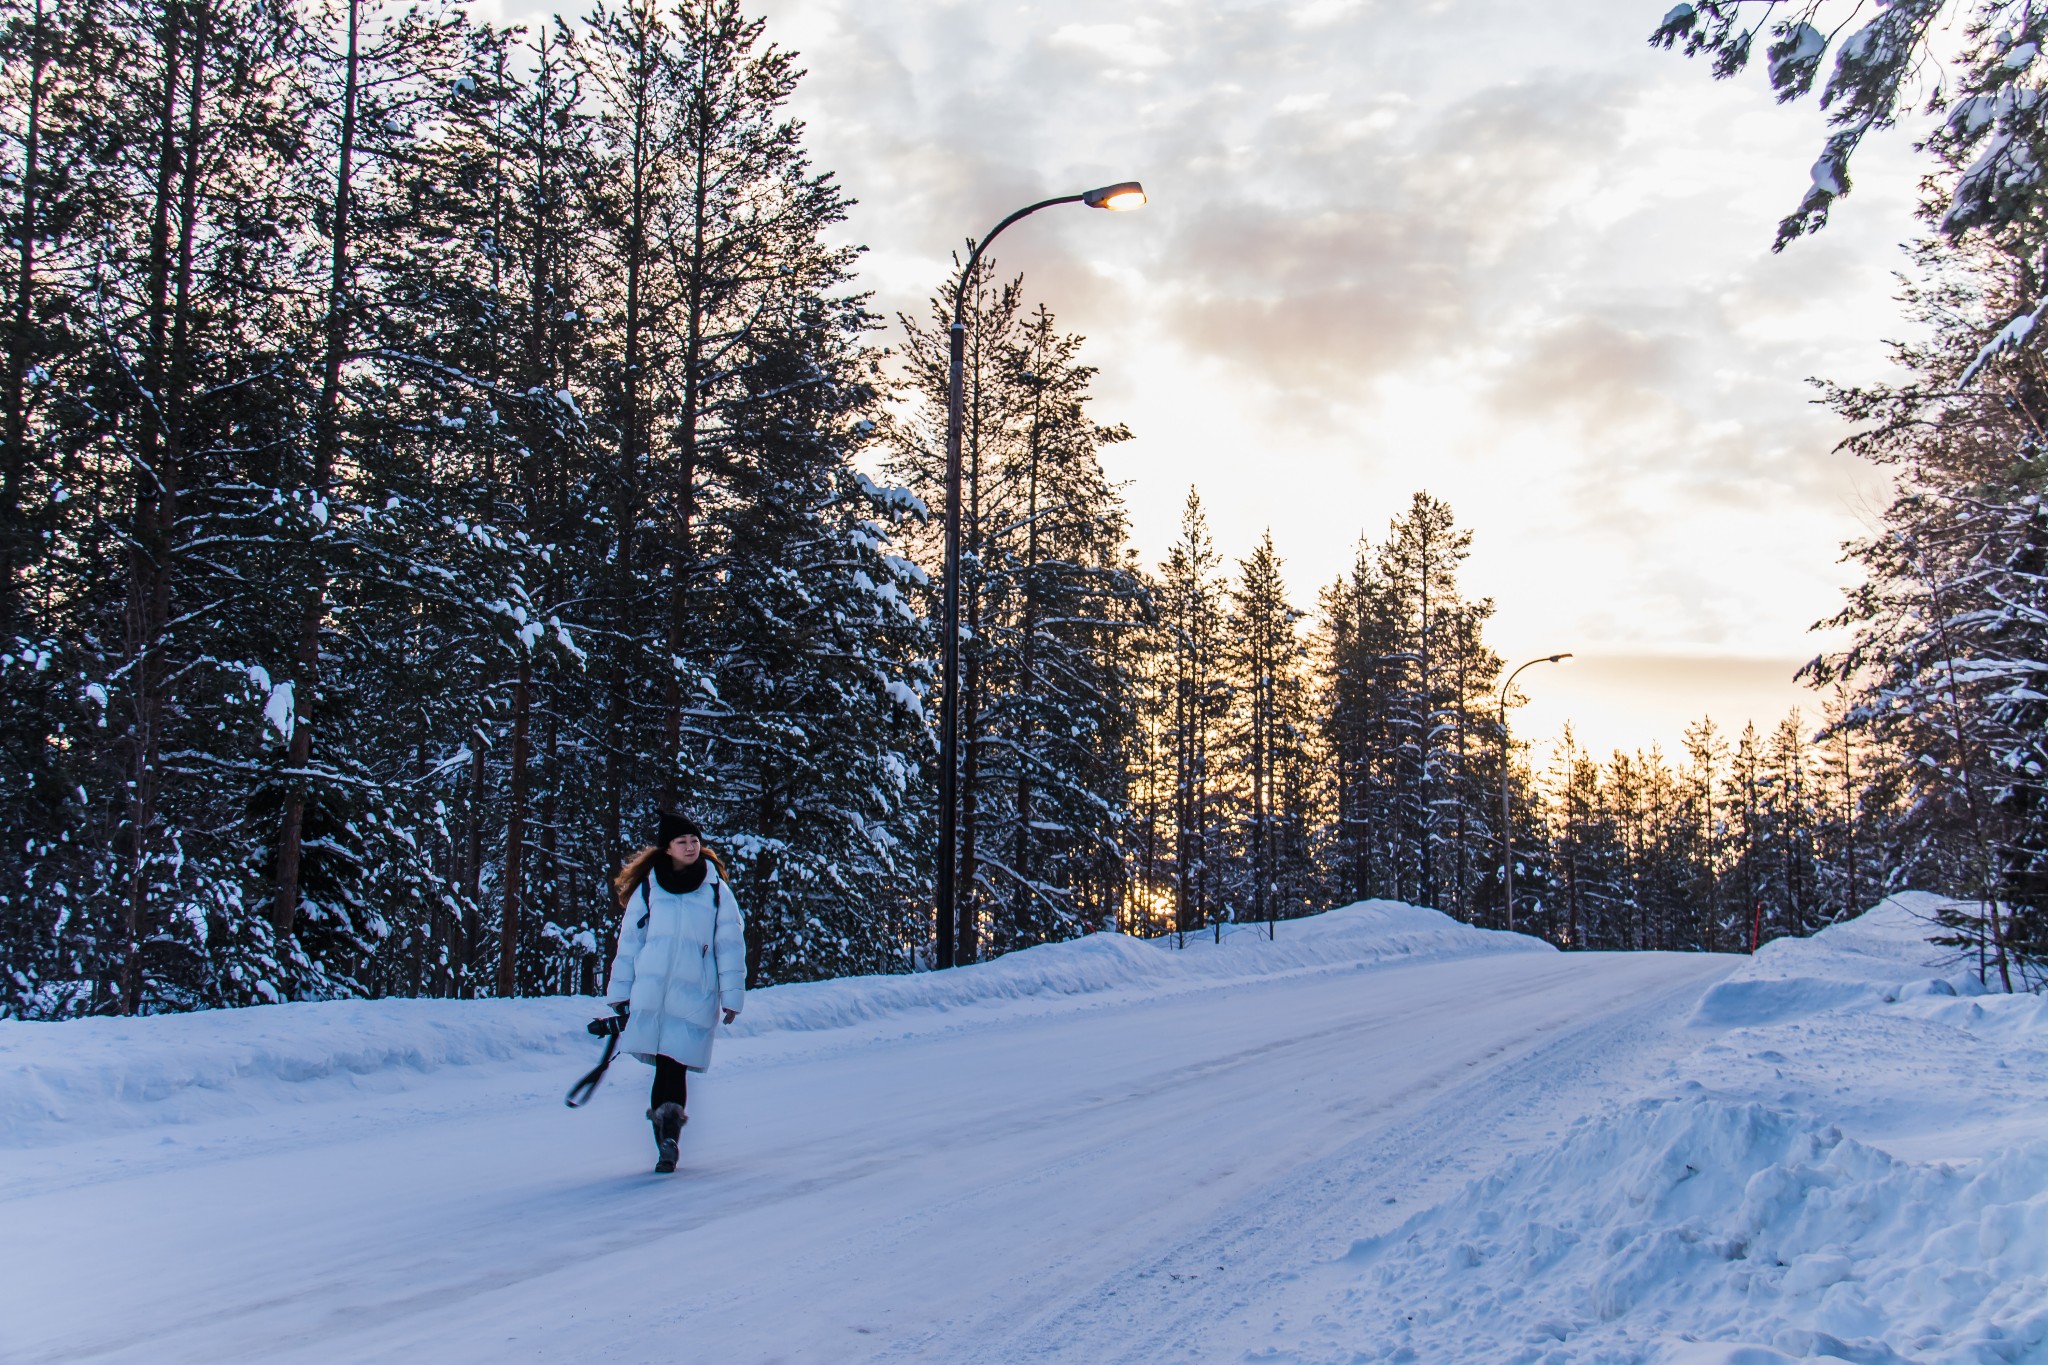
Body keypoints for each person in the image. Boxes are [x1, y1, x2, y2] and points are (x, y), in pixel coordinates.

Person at [593, 810, 746, 1173]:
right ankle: (666, 1139)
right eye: (683, 842)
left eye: (695, 840)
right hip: (652, 991)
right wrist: (620, 993)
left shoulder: (715, 889)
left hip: (695, 994)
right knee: (664, 1063)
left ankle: (669, 1139)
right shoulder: (649, 887)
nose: (691, 847)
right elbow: (630, 942)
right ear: (668, 848)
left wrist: (732, 996)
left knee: (673, 1064)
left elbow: (730, 943)